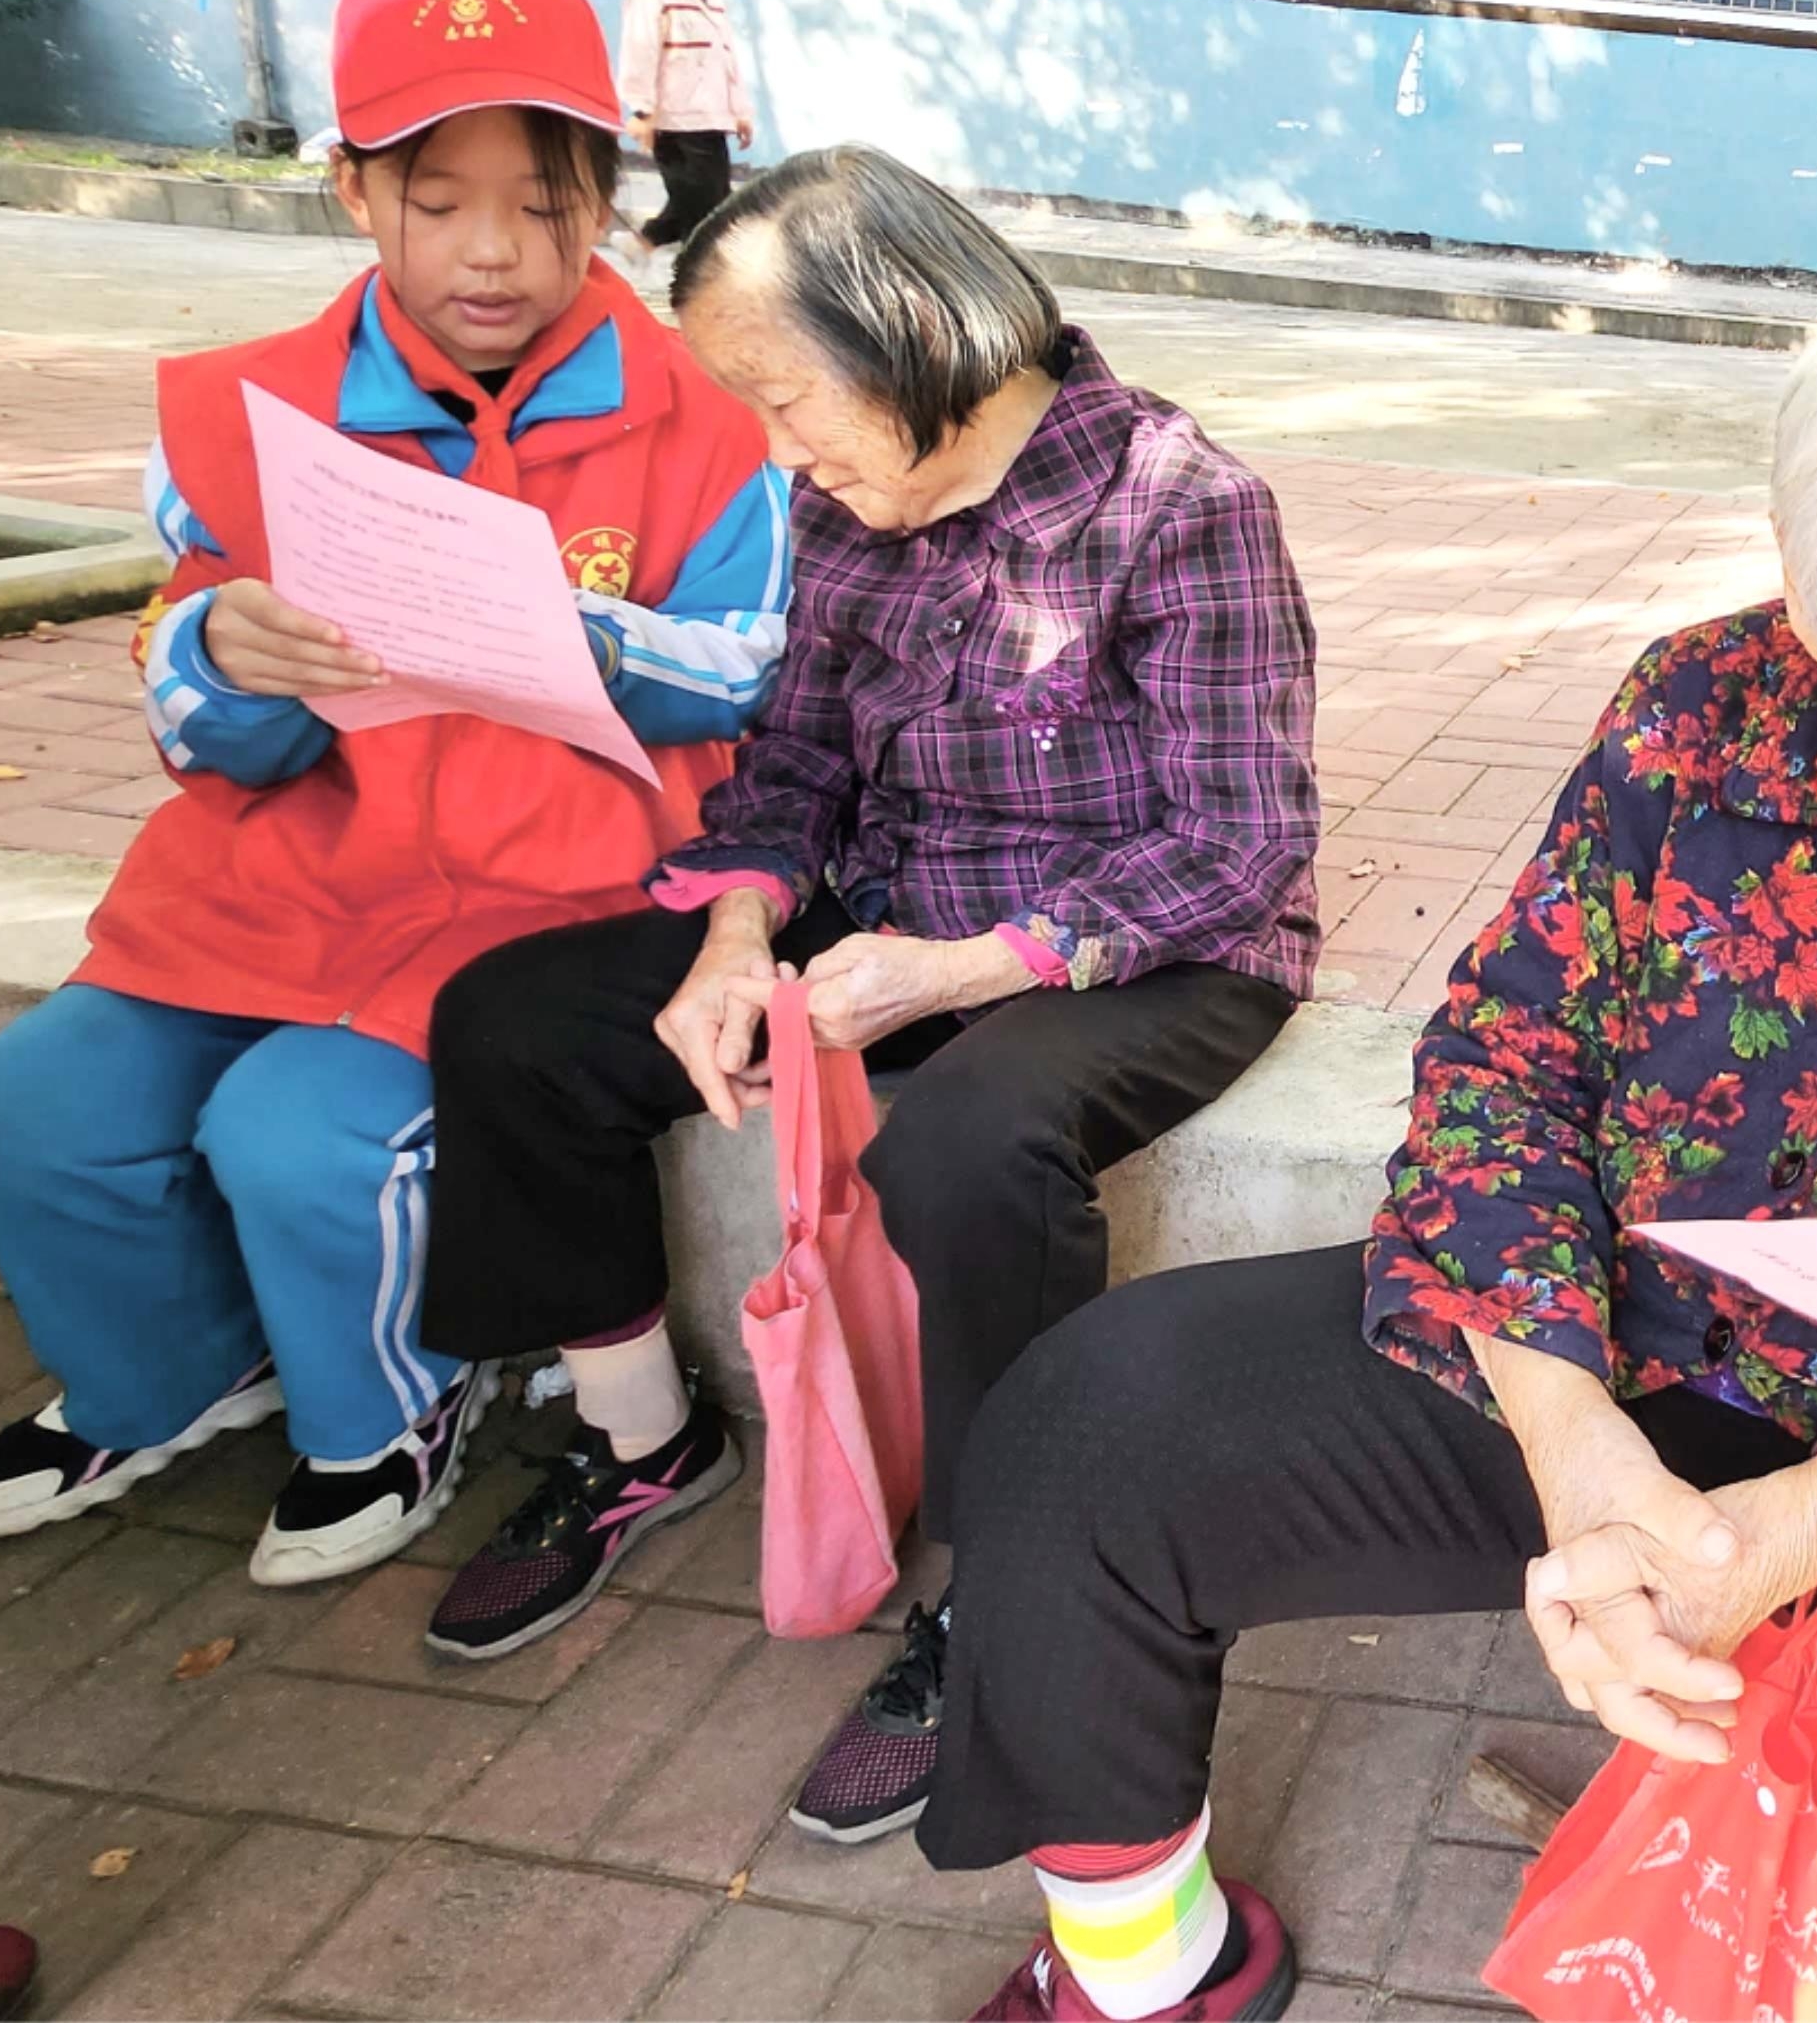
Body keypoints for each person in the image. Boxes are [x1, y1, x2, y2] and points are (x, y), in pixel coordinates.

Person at [904, 248, 1817, 2023]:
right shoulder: (1696, 715)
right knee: (1082, 1437)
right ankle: (1149, 1974)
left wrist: (1808, 1518)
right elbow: (1504, 1063)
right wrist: (1579, 1444)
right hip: (1636, 1355)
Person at [415, 145, 1322, 1853]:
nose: (776, 452)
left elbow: (1239, 841)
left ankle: (1008, 1592)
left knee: (969, 1144)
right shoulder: (848, 511)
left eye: (782, 396)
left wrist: (975, 967)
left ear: (906, 328)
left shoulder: (1177, 502)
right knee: (516, 1020)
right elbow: (800, 767)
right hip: (886, 921)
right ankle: (635, 1438)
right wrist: (737, 935)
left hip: (1149, 947)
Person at [0, 0, 787, 1587]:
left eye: (543, 197)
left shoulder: (702, 420)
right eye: (437, 198)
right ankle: (162, 1378)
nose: (496, 250)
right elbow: (189, 727)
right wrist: (230, 658)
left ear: (606, 195)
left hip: (531, 907)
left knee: (300, 1139)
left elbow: (754, 665)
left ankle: (382, 1410)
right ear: (354, 193)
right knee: (13, 1124)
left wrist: (564, 636)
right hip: (274, 889)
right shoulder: (249, 412)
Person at [618, 0, 755, 260]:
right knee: (708, 212)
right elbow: (641, 49)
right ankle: (706, 280)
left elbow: (725, 57)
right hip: (675, 120)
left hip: (711, 115)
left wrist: (740, 111)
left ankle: (639, 245)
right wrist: (642, 110)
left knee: (700, 200)